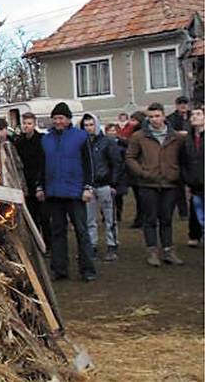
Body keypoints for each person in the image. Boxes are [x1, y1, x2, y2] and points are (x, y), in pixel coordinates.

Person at [38, 103, 96, 282]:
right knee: (57, 232)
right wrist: (40, 186)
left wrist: (88, 187)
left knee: (81, 231)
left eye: (61, 118)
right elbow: (42, 165)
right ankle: (60, 268)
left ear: (68, 119)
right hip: (54, 192)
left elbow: (89, 164)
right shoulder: (46, 139)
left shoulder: (81, 137)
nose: (58, 121)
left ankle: (87, 269)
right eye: (55, 118)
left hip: (75, 192)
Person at [126, 102, 186, 267]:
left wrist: (177, 173)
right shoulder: (139, 137)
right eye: (151, 117)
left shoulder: (176, 137)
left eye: (157, 116)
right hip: (148, 183)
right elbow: (130, 157)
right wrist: (142, 173)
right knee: (150, 218)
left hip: (170, 183)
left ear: (164, 116)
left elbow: (184, 157)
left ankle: (168, 250)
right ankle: (152, 250)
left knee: (166, 218)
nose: (154, 119)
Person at [81, 114, 121, 261]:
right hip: (89, 186)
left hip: (104, 184)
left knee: (109, 217)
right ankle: (92, 245)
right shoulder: (82, 144)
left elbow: (116, 163)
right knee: (89, 218)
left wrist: (113, 183)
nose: (89, 128)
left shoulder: (107, 142)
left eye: (91, 125)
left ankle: (112, 245)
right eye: (86, 125)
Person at [181, 106, 204, 246]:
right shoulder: (187, 139)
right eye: (193, 114)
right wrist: (187, 179)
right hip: (194, 183)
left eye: (199, 114)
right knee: (198, 213)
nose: (194, 117)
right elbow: (184, 161)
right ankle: (195, 234)